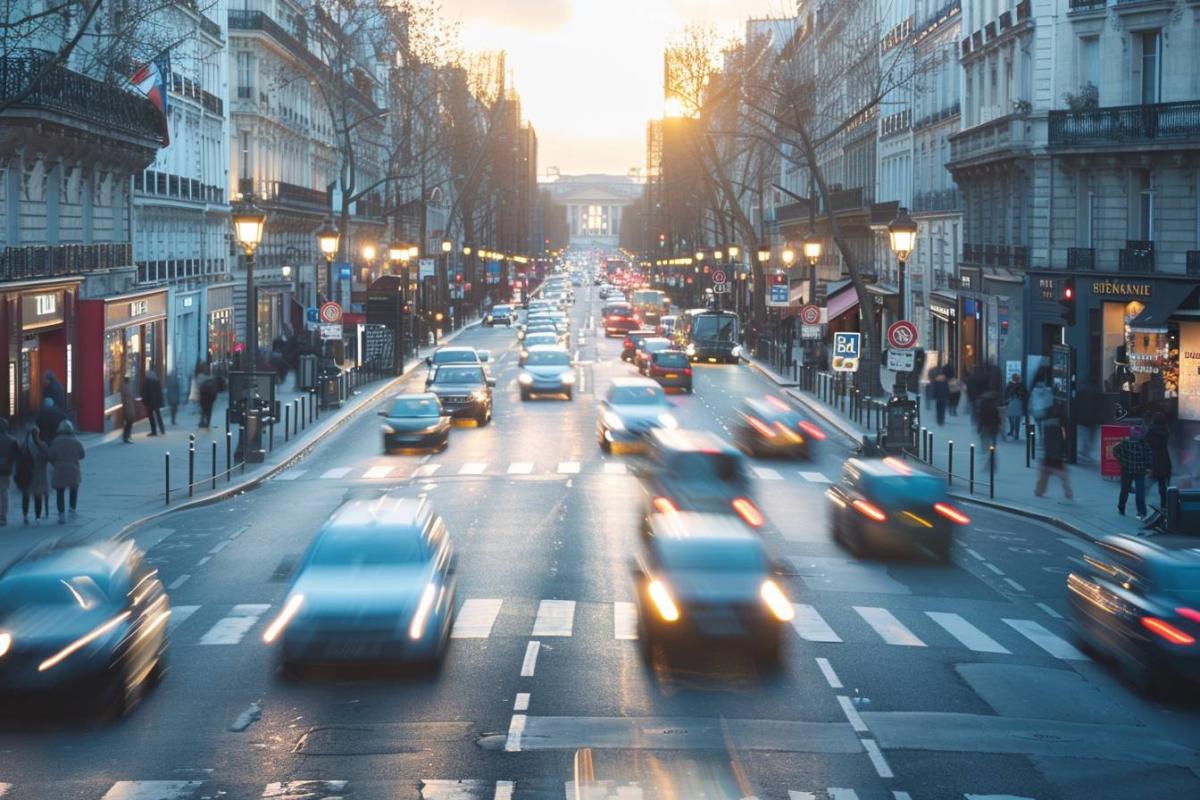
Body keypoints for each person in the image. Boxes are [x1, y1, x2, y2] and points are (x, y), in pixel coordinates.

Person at [48, 421, 84, 523]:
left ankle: (61, 514)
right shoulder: (75, 441)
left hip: (59, 469)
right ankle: (72, 509)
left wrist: (55, 462)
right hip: (73, 469)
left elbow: (51, 456)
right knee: (74, 489)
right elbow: (82, 454)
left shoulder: (56, 441)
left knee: (60, 492)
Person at [15, 426, 49, 525]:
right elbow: (48, 456)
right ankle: (37, 517)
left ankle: (25, 515)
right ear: (38, 434)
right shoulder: (42, 445)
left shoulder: (23, 446)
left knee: (25, 496)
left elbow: (18, 460)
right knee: (37, 496)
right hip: (39, 473)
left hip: (26, 473)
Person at [1114, 430, 1152, 519]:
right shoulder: (1144, 444)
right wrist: (1148, 466)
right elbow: (1149, 455)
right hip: (1140, 471)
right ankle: (1141, 511)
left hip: (1127, 470)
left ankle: (1121, 507)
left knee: (1124, 490)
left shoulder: (1125, 443)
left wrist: (1121, 461)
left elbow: (1115, 450)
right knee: (1140, 491)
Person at [1035, 413, 1073, 499]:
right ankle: (1068, 492)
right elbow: (1063, 442)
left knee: (1043, 476)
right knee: (1063, 476)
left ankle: (1039, 491)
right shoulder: (1060, 429)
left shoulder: (1046, 428)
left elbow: (1044, 443)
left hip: (1048, 456)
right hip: (1057, 457)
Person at [1143, 413, 1172, 511]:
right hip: (1164, 458)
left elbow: (1145, 442)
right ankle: (1164, 504)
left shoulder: (1151, 431)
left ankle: (1142, 503)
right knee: (1162, 483)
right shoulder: (1166, 432)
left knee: (1147, 482)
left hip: (1153, 458)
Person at [1073, 377, 1102, 463]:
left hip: (1082, 417)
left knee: (1083, 436)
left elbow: (1076, 403)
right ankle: (1085, 452)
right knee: (1090, 437)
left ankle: (1083, 452)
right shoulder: (1096, 390)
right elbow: (1099, 406)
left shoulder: (1081, 389)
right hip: (1093, 417)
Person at [0, 419, 19, 526]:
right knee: (4, 493)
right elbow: (16, 456)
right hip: (5, 469)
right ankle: (3, 516)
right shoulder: (12, 440)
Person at [1003, 374, 1028, 441]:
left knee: (1011, 418)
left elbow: (1005, 394)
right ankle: (1016, 434)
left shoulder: (1009, 385)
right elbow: (1025, 394)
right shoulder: (1021, 385)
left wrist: (1006, 401)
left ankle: (1012, 431)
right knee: (1017, 419)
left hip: (1011, 402)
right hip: (1018, 403)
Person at [142, 369, 165, 436]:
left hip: (150, 403)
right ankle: (162, 429)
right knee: (158, 416)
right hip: (156, 402)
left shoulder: (148, 381)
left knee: (151, 417)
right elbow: (159, 393)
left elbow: (147, 393)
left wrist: (145, 402)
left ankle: (154, 431)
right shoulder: (157, 381)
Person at [121, 375, 137, 443]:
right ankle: (126, 437)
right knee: (129, 422)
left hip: (128, 407)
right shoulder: (127, 387)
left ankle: (126, 436)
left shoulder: (125, 386)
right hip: (128, 407)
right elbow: (128, 398)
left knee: (129, 422)